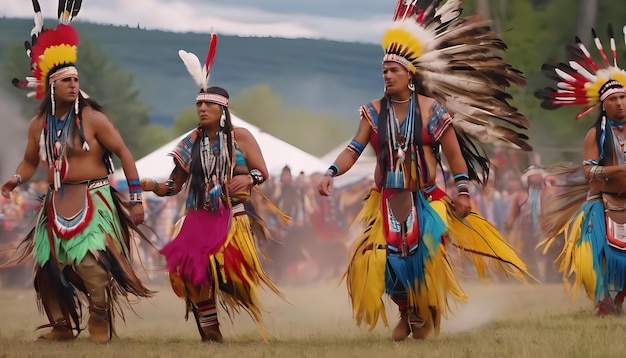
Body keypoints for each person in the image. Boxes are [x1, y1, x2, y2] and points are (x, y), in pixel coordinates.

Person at [318, 0, 533, 341]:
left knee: (426, 256)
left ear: (410, 75)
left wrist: (463, 192)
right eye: (384, 71)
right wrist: (331, 172)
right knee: (379, 260)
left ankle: (421, 310)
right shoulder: (372, 112)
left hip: (426, 197)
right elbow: (354, 147)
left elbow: (454, 155)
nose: (387, 76)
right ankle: (406, 310)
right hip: (386, 198)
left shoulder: (432, 111)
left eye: (394, 71)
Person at [1, 1, 153, 343]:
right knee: (45, 268)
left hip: (94, 196)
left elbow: (125, 153)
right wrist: (16, 178)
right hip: (54, 202)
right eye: (67, 80)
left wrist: (137, 200)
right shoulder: (38, 124)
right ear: (51, 86)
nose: (74, 84)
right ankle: (61, 326)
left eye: (76, 79)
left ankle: (99, 311)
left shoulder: (94, 119)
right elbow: (29, 161)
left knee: (90, 262)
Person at [140, 33, 284, 342]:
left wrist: (250, 179)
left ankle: (220, 310)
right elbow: (173, 185)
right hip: (199, 216)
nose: (202, 109)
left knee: (227, 270)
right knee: (191, 269)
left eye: (208, 105)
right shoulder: (189, 142)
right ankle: (210, 330)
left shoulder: (240, 137)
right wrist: (150, 185)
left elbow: (263, 172)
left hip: (233, 214)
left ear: (222, 110)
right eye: (199, 105)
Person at [536, 24, 626, 315]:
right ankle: (602, 298)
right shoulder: (594, 135)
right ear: (603, 104)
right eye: (613, 99)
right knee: (590, 253)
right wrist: (614, 172)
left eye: (624, 97)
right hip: (600, 203)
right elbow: (589, 172)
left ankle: (619, 297)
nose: (620, 103)